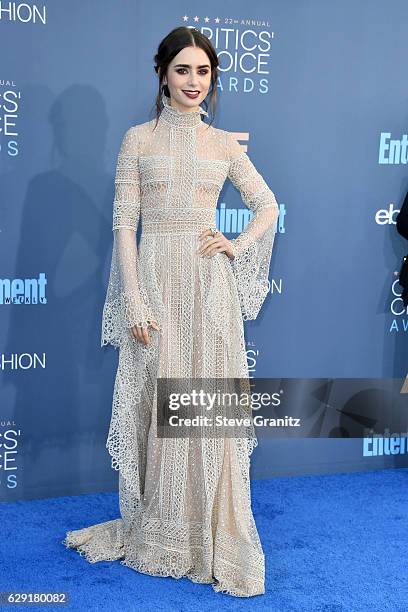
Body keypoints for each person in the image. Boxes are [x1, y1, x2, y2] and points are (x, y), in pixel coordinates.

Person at [63, 26, 279, 598]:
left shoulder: (223, 145)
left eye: (203, 72)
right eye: (183, 70)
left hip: (209, 291)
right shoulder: (137, 140)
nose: (193, 82)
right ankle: (165, 532)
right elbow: (123, 227)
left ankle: (210, 534)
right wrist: (134, 298)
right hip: (156, 285)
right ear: (162, 74)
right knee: (157, 404)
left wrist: (234, 244)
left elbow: (266, 204)